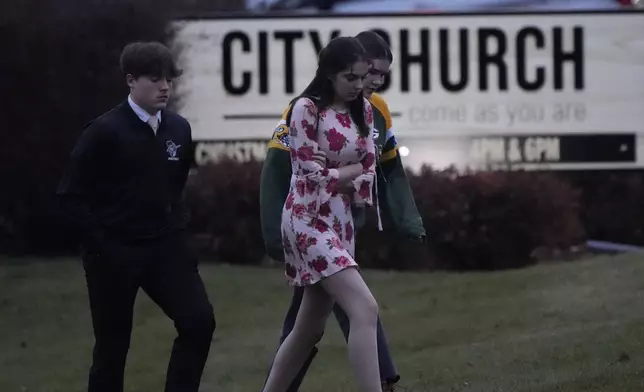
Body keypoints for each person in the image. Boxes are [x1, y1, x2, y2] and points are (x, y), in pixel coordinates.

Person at [259, 31, 425, 392]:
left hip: (341, 221)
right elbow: (306, 174)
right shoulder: (305, 109)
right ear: (329, 74)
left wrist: (335, 172)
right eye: (351, 77)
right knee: (364, 308)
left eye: (362, 76)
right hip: (306, 221)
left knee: (307, 330)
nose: (360, 84)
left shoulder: (365, 110)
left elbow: (368, 171)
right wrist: (342, 173)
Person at [57, 41, 216, 392]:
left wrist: (181, 238)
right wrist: (103, 247)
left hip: (164, 248)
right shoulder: (103, 132)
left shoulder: (178, 129)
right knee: (112, 350)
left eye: (169, 79)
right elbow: (70, 197)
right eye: (155, 79)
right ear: (130, 80)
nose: (165, 87)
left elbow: (175, 190)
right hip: (113, 254)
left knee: (199, 322)